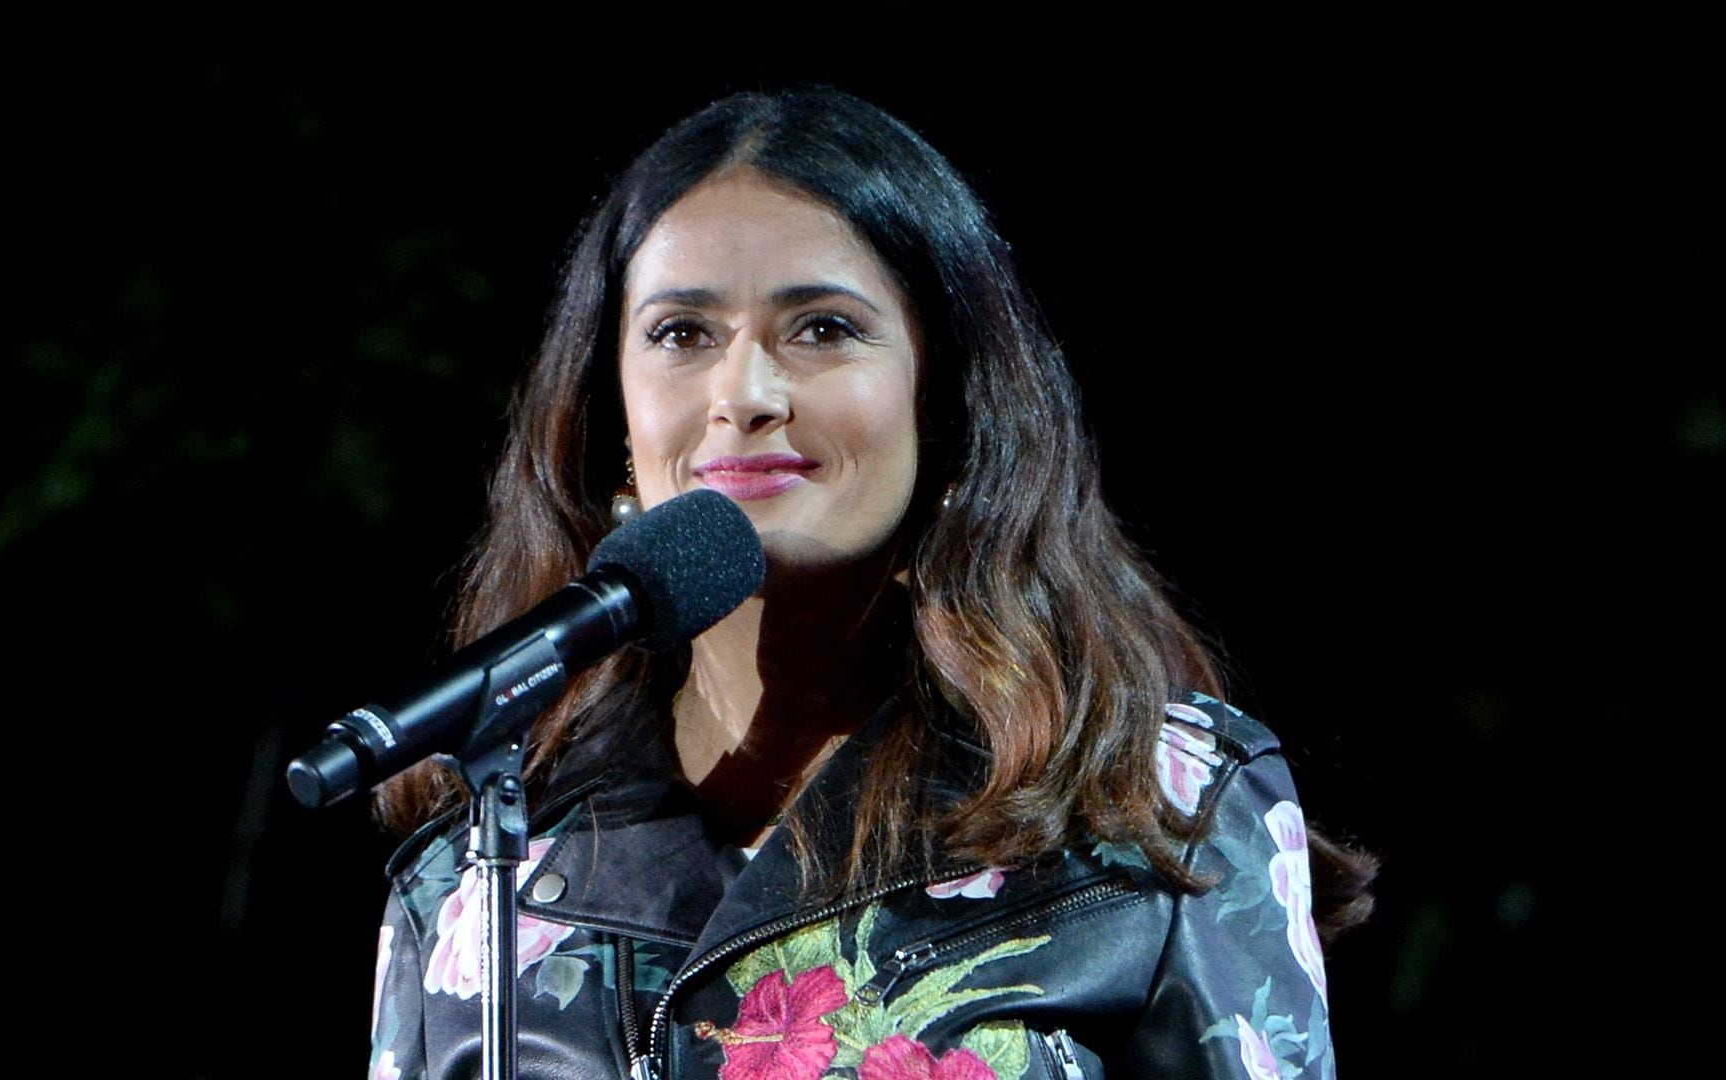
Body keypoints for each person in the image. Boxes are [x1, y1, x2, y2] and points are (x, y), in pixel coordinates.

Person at [367, 87, 1374, 1080]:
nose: (745, 395)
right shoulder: (480, 880)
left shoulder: (1156, 804)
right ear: (611, 415)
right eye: (682, 334)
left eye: (822, 329)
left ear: (942, 399)